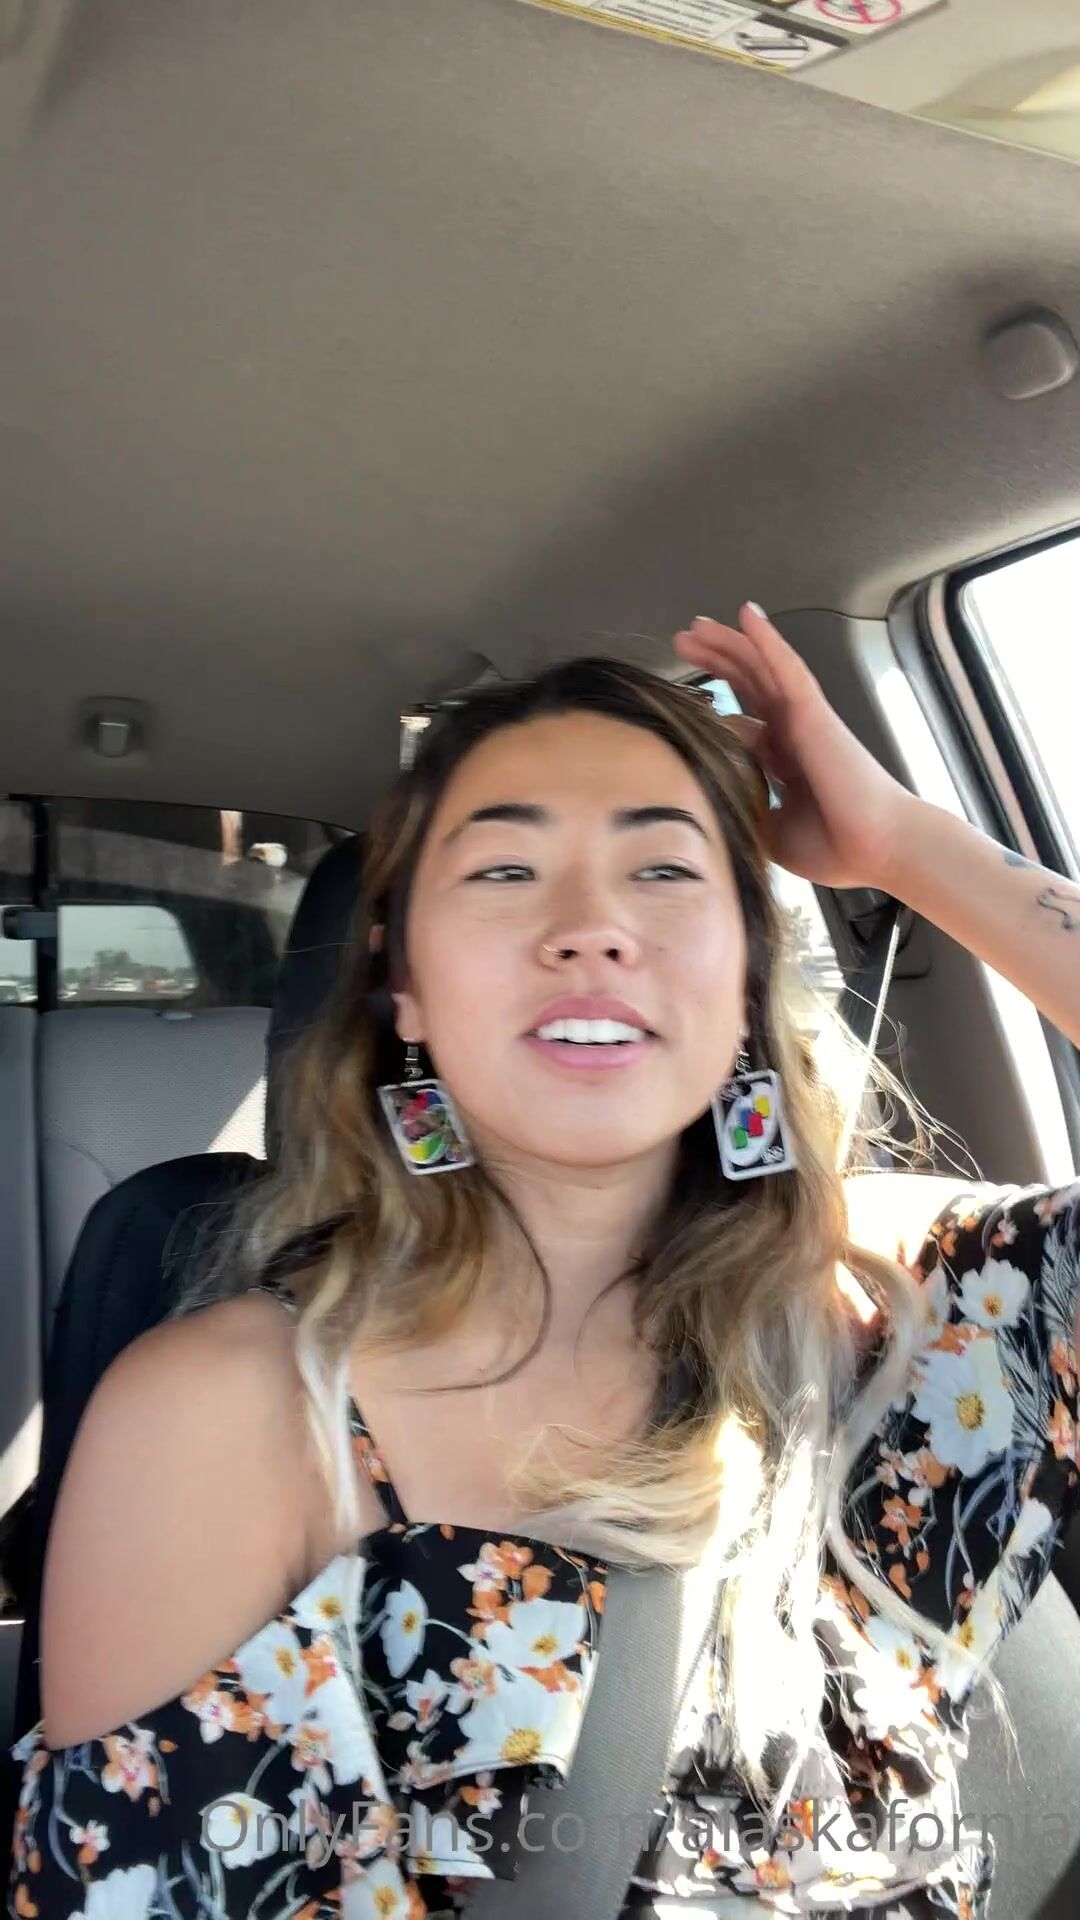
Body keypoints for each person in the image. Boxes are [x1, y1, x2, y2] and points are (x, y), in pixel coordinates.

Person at [6, 606, 1080, 1920]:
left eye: (665, 869)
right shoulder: (233, 1418)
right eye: (506, 870)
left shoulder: (904, 1307)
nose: (590, 927)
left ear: (748, 973)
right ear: (403, 982)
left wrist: (905, 845)